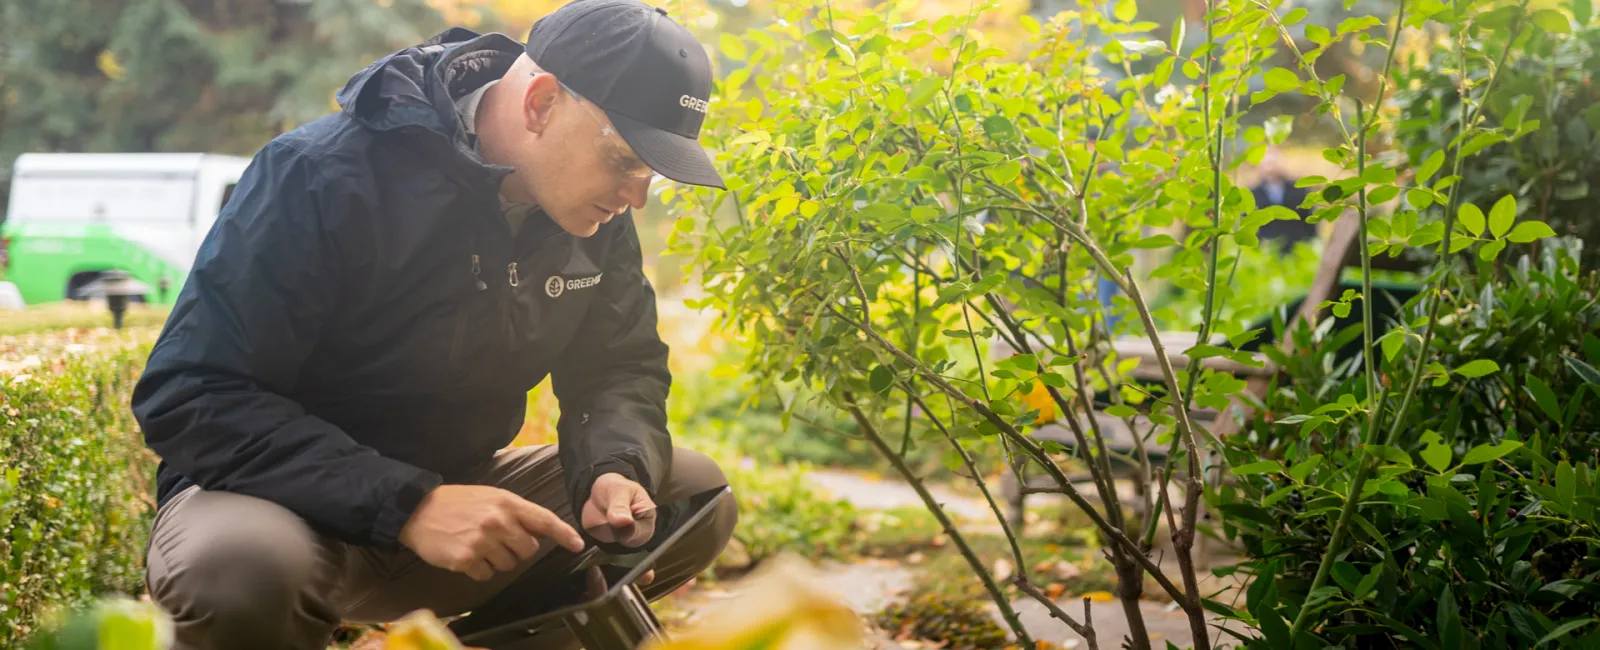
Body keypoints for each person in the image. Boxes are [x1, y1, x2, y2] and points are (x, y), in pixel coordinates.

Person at [129, 2, 737, 648]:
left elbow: (619, 366)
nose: (636, 197)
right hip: (279, 507)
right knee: (242, 573)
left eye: (650, 173)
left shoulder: (592, 217)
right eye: (624, 161)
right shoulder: (320, 175)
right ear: (540, 104)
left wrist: (614, 469)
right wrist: (408, 505)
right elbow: (190, 392)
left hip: (454, 508)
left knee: (693, 495)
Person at [1250, 146, 1318, 252]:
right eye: (1267, 161)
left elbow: (1311, 222)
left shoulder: (1300, 189)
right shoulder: (1252, 195)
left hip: (1297, 251)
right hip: (1266, 254)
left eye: (1274, 160)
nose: (1271, 166)